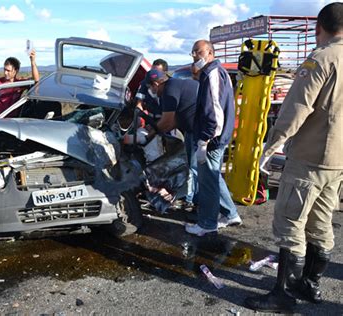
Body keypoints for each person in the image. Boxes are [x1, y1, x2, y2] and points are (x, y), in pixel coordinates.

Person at [245, 3, 343, 313]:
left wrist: (270, 146)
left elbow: (295, 110)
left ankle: (282, 295)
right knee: (321, 223)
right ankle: (310, 283)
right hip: (337, 161)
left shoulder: (322, 59)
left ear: (319, 27)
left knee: (290, 223)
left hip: (310, 157)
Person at [184, 39, 242, 237]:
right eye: (192, 52)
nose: (194, 55)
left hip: (212, 140)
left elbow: (215, 113)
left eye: (198, 51)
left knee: (207, 182)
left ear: (210, 52)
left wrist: (204, 140)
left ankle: (207, 223)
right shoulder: (210, 73)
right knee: (213, 177)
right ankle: (231, 213)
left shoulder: (212, 73)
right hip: (217, 138)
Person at [143, 69, 199, 206]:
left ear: (156, 84)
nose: (151, 90)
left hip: (200, 131)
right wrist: (154, 129)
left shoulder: (169, 90)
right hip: (193, 130)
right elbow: (172, 121)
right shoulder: (174, 85)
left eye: (150, 87)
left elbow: (168, 121)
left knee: (195, 169)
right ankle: (194, 201)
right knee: (192, 167)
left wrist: (147, 137)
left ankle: (197, 203)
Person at [0, 50, 40, 118]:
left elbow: (36, 80)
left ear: (16, 71)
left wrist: (32, 61)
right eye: (5, 70)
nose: (6, 73)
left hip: (12, 119)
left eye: (8, 71)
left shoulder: (19, 83)